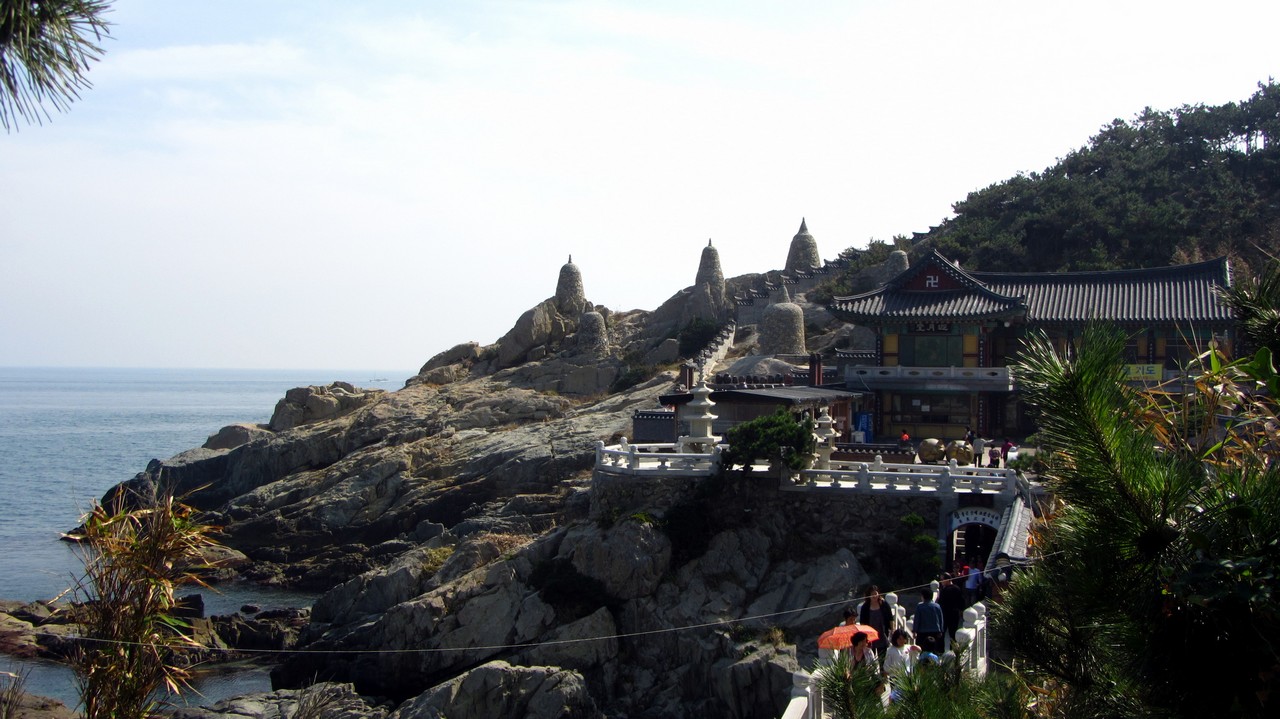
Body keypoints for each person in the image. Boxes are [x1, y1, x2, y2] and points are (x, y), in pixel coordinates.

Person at [858, 585, 895, 656]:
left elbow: (890, 618)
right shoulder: (865, 607)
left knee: (882, 656)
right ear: (869, 595)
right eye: (872, 594)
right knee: (870, 656)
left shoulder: (884, 604)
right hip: (869, 635)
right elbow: (862, 622)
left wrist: (893, 629)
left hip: (882, 634)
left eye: (875, 594)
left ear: (878, 594)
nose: (874, 596)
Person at [913, 588, 945, 656]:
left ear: (923, 596)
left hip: (922, 633)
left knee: (921, 650)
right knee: (934, 650)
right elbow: (941, 619)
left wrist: (915, 630)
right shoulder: (937, 606)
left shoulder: (920, 606)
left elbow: (917, 619)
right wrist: (941, 630)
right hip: (935, 632)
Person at [938, 573, 965, 644]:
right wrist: (961, 610)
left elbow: (940, 602)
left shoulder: (945, 590)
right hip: (953, 614)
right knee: (952, 635)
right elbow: (961, 602)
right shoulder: (957, 588)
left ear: (948, 580)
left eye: (942, 579)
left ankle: (941, 649)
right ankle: (953, 649)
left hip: (946, 614)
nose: (941, 581)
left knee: (942, 634)